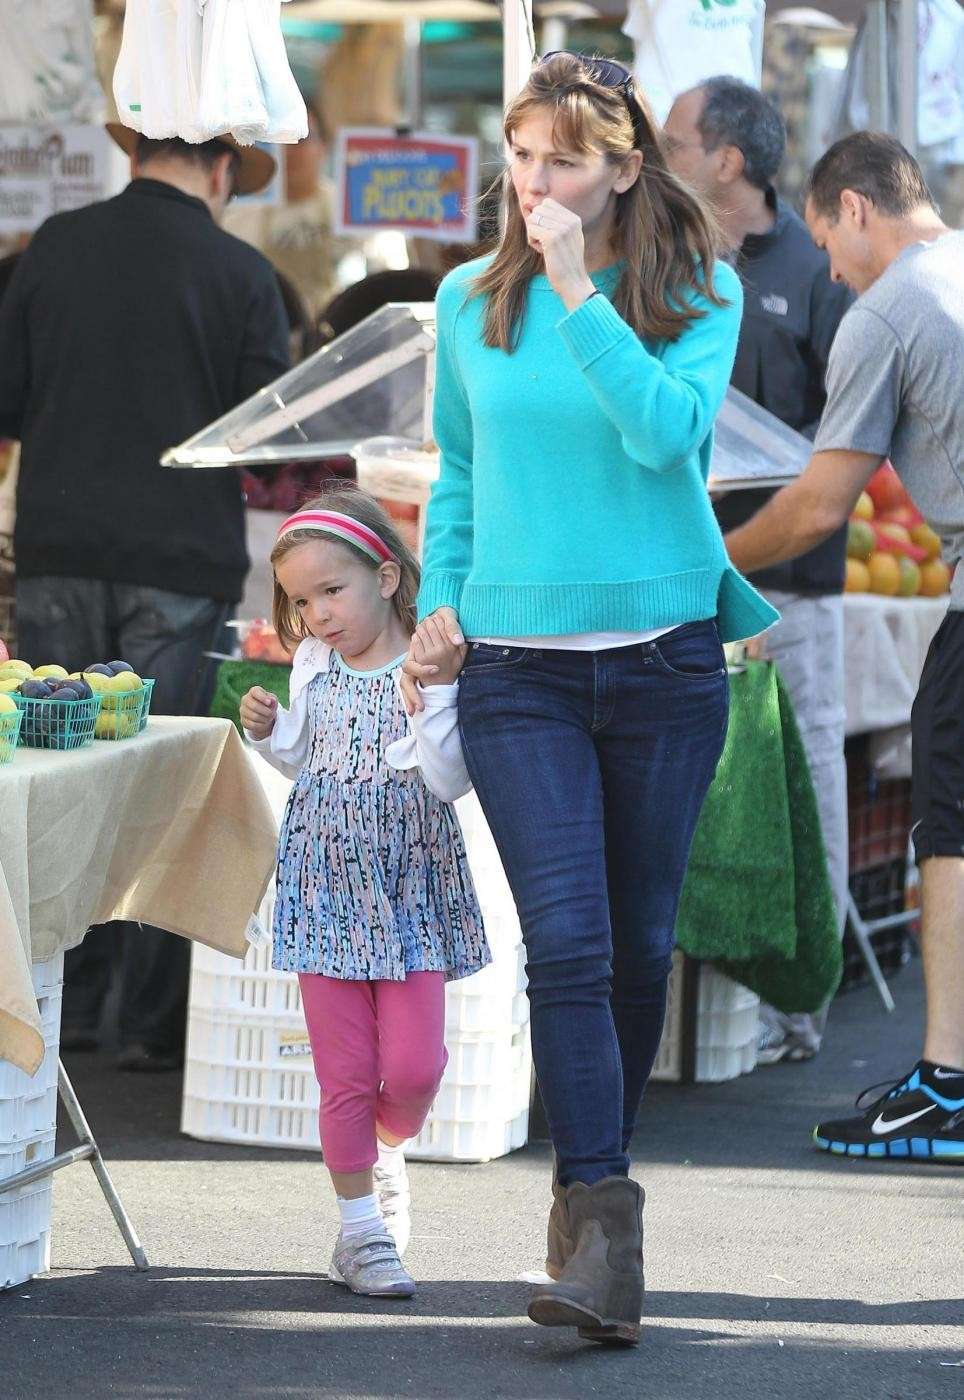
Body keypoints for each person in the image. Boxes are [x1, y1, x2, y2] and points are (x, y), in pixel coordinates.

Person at [401, 52, 777, 1343]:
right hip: (516, 671)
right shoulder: (463, 300)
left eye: (562, 158)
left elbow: (669, 438)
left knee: (632, 951)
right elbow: (457, 473)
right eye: (521, 154)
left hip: (668, 661)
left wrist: (579, 294)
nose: (534, 181)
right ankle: (607, 1231)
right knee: (561, 944)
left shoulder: (697, 287)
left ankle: (586, 1211)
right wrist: (441, 598)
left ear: (625, 170)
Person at [0, 127, 290, 1070]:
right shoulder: (243, 272)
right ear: (218, 171)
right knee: (157, 777)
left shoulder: (55, 246)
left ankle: (60, 1002)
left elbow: (6, 402)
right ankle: (147, 1027)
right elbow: (264, 433)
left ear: (134, 156)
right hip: (179, 557)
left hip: (58, 545)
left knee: (57, 770)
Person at [724, 132, 964, 1161]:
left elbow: (821, 504)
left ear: (856, 208)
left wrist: (703, 568)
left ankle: (946, 1082)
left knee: (949, 827)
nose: (825, 264)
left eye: (826, 237)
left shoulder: (890, 309)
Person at [240, 487, 488, 1297]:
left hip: (409, 887)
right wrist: (272, 730)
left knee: (413, 1071)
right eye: (302, 601)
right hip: (324, 885)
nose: (316, 616)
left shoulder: (430, 662)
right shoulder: (312, 663)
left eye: (330, 592)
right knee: (345, 1076)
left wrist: (443, 697)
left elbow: (450, 780)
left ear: (386, 577)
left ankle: (382, 1149)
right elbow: (305, 757)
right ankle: (360, 1237)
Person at [664, 77, 853, 1064]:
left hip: (781, 575)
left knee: (797, 773)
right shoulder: (657, 260)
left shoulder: (816, 269)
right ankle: (681, 990)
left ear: (727, 159)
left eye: (673, 139)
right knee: (677, 774)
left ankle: (795, 1002)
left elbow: (846, 429)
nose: (655, 154)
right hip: (661, 576)